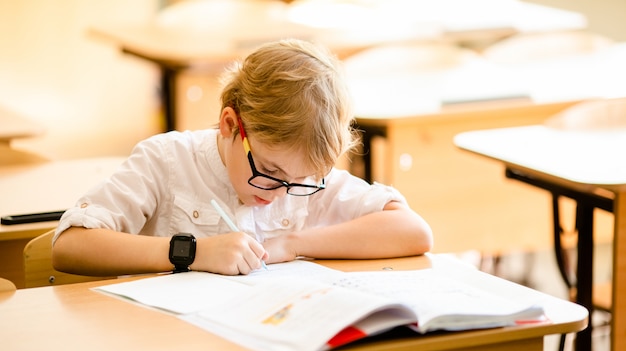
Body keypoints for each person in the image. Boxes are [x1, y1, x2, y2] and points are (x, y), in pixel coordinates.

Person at [52, 39, 433, 276]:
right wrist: (194, 252)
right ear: (230, 124)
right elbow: (70, 246)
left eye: (299, 181)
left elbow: (414, 232)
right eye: (268, 171)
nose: (279, 192)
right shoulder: (167, 160)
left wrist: (295, 244)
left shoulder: (298, 178)